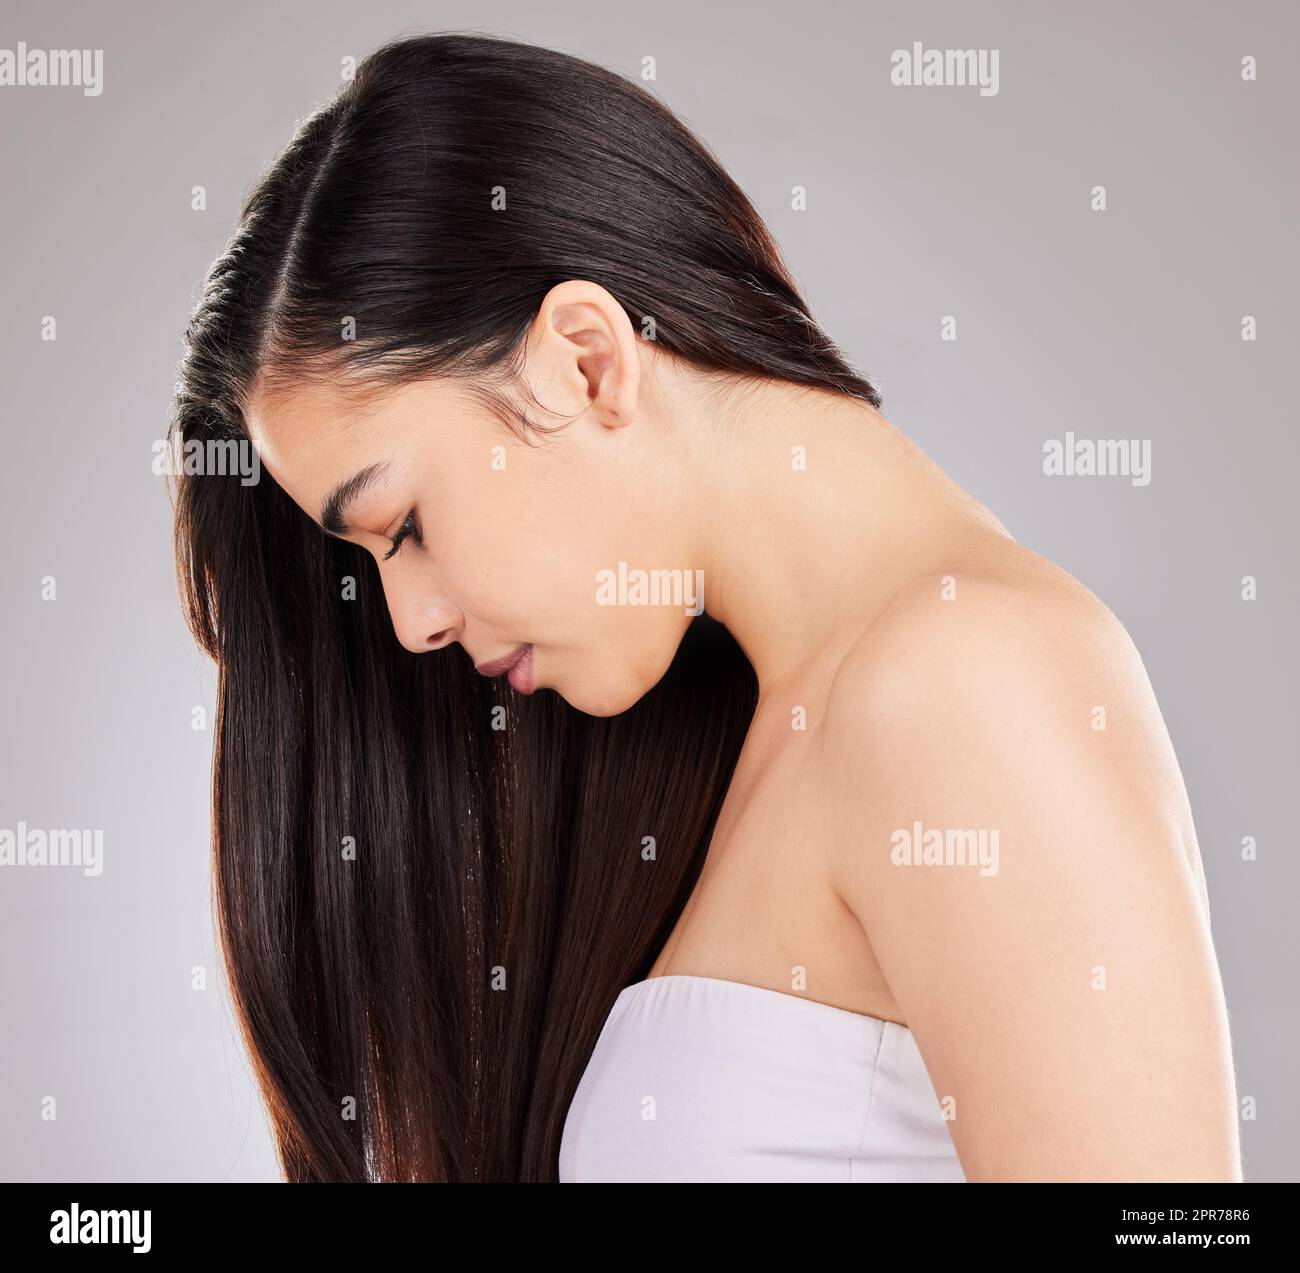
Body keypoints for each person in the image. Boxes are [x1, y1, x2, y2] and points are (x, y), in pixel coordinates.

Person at [170, 31, 1240, 1182]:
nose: (411, 622)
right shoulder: (767, 731)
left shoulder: (964, 677)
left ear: (584, 360)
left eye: (406, 526)